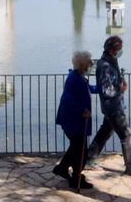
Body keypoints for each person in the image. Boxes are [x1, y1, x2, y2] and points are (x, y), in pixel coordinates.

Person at [87, 35, 131, 178]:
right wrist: (121, 88)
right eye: (119, 49)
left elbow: (113, 82)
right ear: (112, 50)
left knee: (105, 132)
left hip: (114, 106)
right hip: (113, 108)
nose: (120, 51)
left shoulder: (112, 61)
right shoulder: (105, 65)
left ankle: (89, 158)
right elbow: (107, 90)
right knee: (127, 135)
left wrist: (120, 82)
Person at [54, 51, 98, 189]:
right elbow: (68, 100)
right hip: (74, 122)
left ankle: (63, 168)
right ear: (82, 65)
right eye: (89, 62)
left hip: (73, 121)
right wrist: (82, 110)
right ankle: (76, 179)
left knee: (76, 148)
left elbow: (88, 88)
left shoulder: (78, 77)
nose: (91, 63)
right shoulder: (75, 79)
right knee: (81, 152)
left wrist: (102, 89)